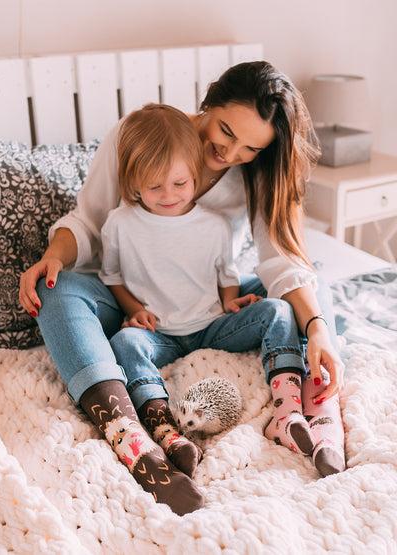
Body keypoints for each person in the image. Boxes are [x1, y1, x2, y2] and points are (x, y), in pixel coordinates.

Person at [18, 61, 346, 511]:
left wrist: (317, 329)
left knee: (313, 290)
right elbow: (89, 223)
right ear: (208, 103)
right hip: (133, 302)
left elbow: (281, 258)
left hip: (208, 303)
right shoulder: (141, 134)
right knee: (58, 290)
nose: (231, 153)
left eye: (251, 148)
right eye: (226, 131)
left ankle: (316, 414)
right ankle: (132, 438)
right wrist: (54, 255)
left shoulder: (258, 171)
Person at [99, 102, 317, 470]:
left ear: (195, 175)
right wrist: (134, 309)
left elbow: (226, 272)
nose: (169, 194)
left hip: (213, 325)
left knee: (278, 309)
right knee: (123, 342)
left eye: (180, 183)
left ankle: (287, 409)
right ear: (133, 182)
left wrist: (231, 301)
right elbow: (112, 277)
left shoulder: (215, 225)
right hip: (160, 334)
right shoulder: (119, 224)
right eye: (154, 186)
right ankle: (166, 430)